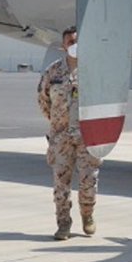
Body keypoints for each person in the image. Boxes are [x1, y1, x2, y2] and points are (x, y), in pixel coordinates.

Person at [37, 26, 101, 241]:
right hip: (61, 137)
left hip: (87, 137)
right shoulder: (53, 71)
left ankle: (87, 215)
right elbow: (43, 100)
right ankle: (63, 223)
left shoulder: (93, 71)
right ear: (64, 46)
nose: (74, 45)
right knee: (61, 184)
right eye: (70, 42)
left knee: (89, 181)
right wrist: (57, 123)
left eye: (77, 41)